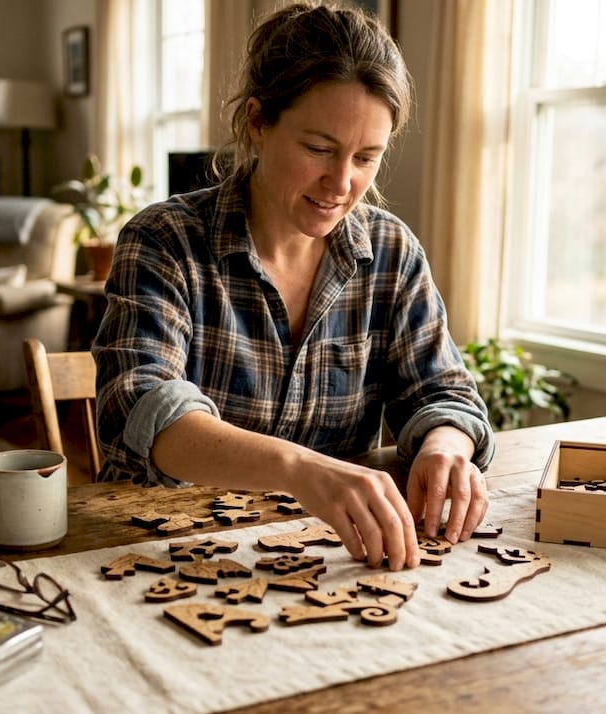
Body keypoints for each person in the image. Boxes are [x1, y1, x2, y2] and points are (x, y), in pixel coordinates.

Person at [92, 2, 494, 571]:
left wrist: (446, 447)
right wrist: (302, 470)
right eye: (319, 149)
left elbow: (444, 394)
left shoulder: (392, 252)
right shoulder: (164, 240)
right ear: (258, 122)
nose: (341, 183)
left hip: (322, 559)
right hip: (159, 553)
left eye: (366, 157)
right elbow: (144, 410)